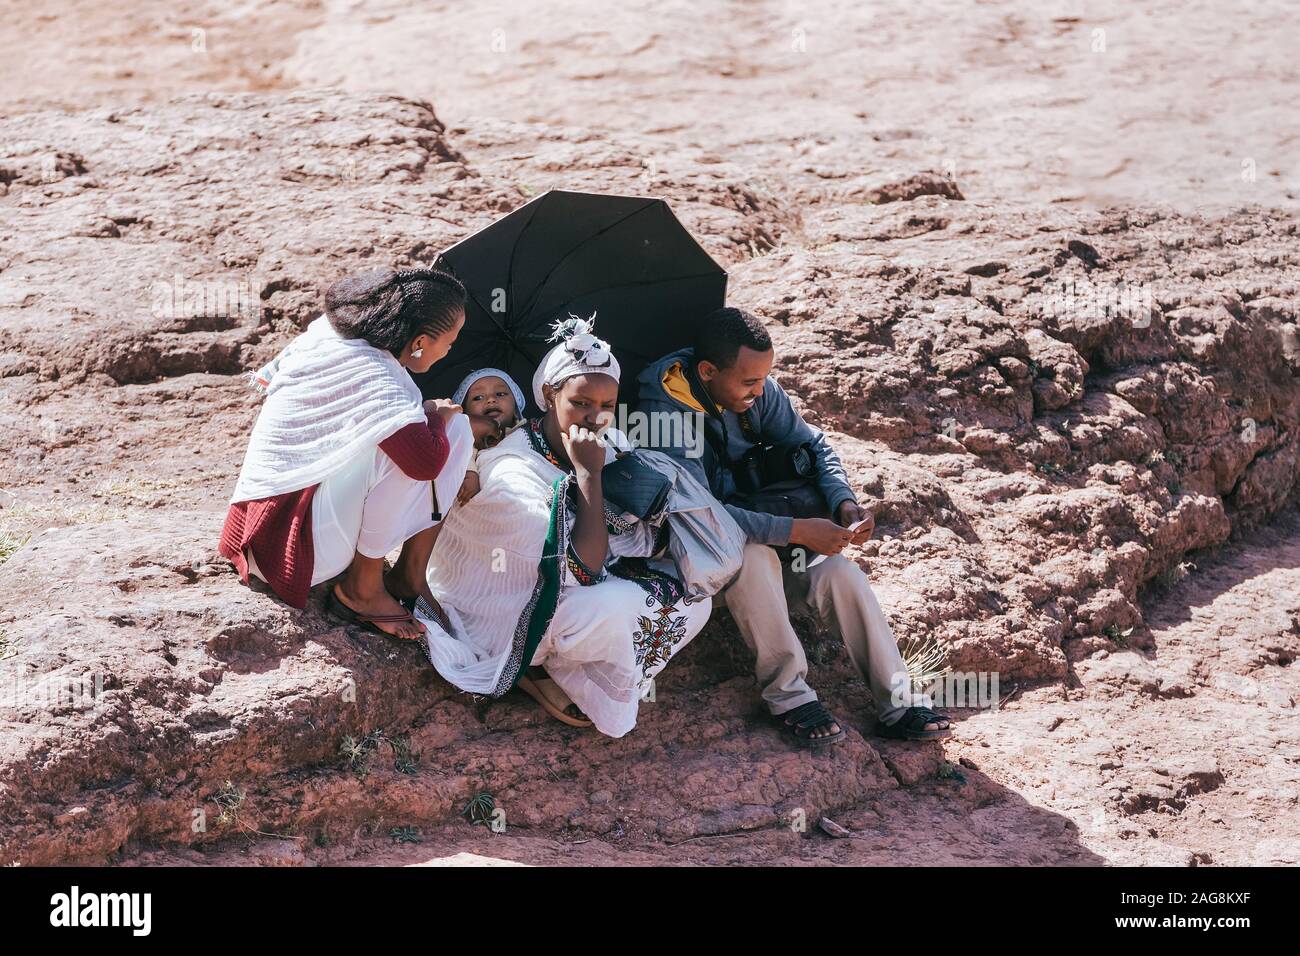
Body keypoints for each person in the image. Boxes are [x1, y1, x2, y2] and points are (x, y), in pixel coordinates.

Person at [636, 306, 952, 745]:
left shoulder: (756, 390)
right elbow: (701, 516)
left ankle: (899, 701)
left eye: (765, 378)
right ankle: (789, 696)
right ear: (707, 371)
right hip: (699, 557)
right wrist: (796, 531)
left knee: (839, 574)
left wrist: (843, 501)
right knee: (753, 556)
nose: (761, 391)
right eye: (750, 382)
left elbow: (812, 444)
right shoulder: (662, 417)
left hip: (766, 536)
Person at [418, 316, 711, 737]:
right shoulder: (511, 467)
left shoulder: (611, 443)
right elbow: (583, 570)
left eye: (607, 406)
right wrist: (589, 476)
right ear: (547, 395)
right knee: (608, 611)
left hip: (592, 583)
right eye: (580, 403)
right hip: (515, 605)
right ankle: (538, 663)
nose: (595, 417)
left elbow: (642, 537)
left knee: (698, 598)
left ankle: (576, 671)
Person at [218, 267, 491, 640]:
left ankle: (409, 574)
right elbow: (423, 463)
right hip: (285, 550)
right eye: (450, 341)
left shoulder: (336, 336)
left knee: (436, 430)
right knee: (435, 437)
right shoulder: (376, 376)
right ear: (421, 341)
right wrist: (437, 417)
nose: (450, 351)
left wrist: (432, 420)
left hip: (272, 526)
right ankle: (362, 590)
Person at [448, 367, 527, 504]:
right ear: (465, 414)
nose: (491, 400)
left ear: (516, 408)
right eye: (478, 397)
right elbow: (462, 454)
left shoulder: (529, 432)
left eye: (500, 394)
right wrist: (470, 474)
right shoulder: (467, 441)